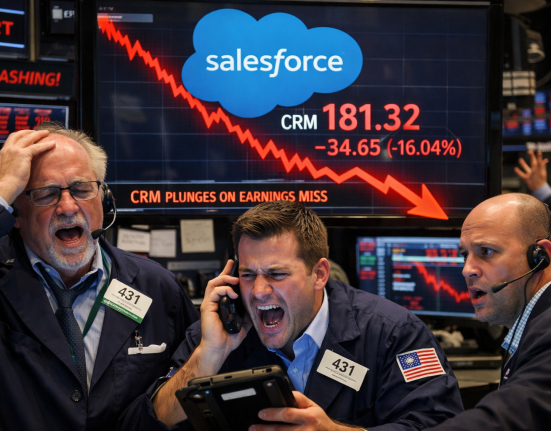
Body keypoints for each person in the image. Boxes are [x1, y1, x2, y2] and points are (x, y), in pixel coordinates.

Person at [120, 200, 463, 430]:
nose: (258, 291)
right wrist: (208, 356)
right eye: (248, 274)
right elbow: (139, 425)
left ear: (319, 274)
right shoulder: (216, 336)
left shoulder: (393, 332)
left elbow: (437, 424)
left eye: (277, 274)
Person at [0, 125, 199, 431]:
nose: (68, 207)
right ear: (15, 212)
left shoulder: (157, 286)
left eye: (82, 189)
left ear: (105, 199)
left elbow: (193, 401)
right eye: (46, 193)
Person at [425, 193, 551, 430]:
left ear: (540, 257)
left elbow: (509, 418)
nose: (466, 270)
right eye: (465, 255)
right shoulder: (529, 328)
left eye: (486, 251)